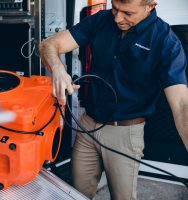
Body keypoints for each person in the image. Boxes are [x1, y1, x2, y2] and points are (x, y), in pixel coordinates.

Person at [39, 0, 188, 199]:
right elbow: (48, 45)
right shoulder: (101, 19)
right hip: (87, 126)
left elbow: (181, 105)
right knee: (75, 194)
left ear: (150, 5)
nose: (117, 18)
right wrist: (58, 69)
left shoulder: (166, 41)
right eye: (115, 8)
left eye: (127, 12)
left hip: (125, 134)